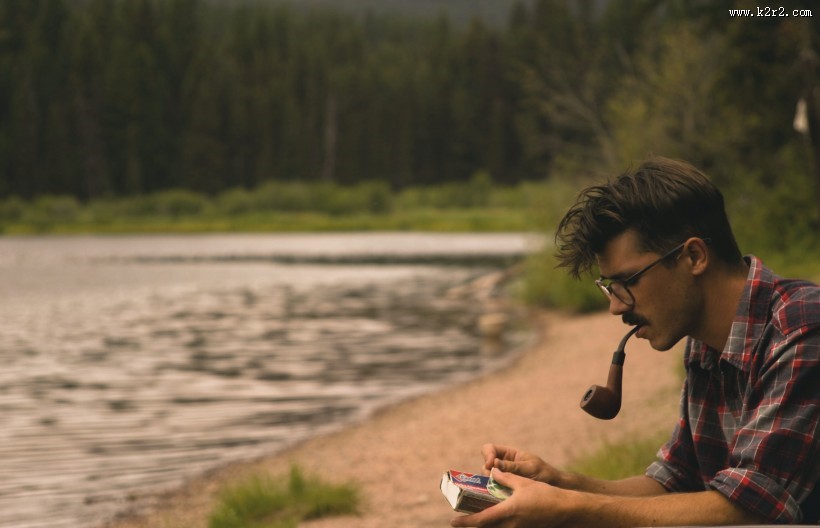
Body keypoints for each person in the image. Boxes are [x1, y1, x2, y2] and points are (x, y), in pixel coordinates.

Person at [451, 157, 820, 527]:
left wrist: (567, 508)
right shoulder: (705, 345)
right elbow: (673, 483)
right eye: (609, 287)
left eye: (628, 281)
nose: (615, 307)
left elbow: (750, 509)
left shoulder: (802, 330)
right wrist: (560, 484)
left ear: (694, 256)